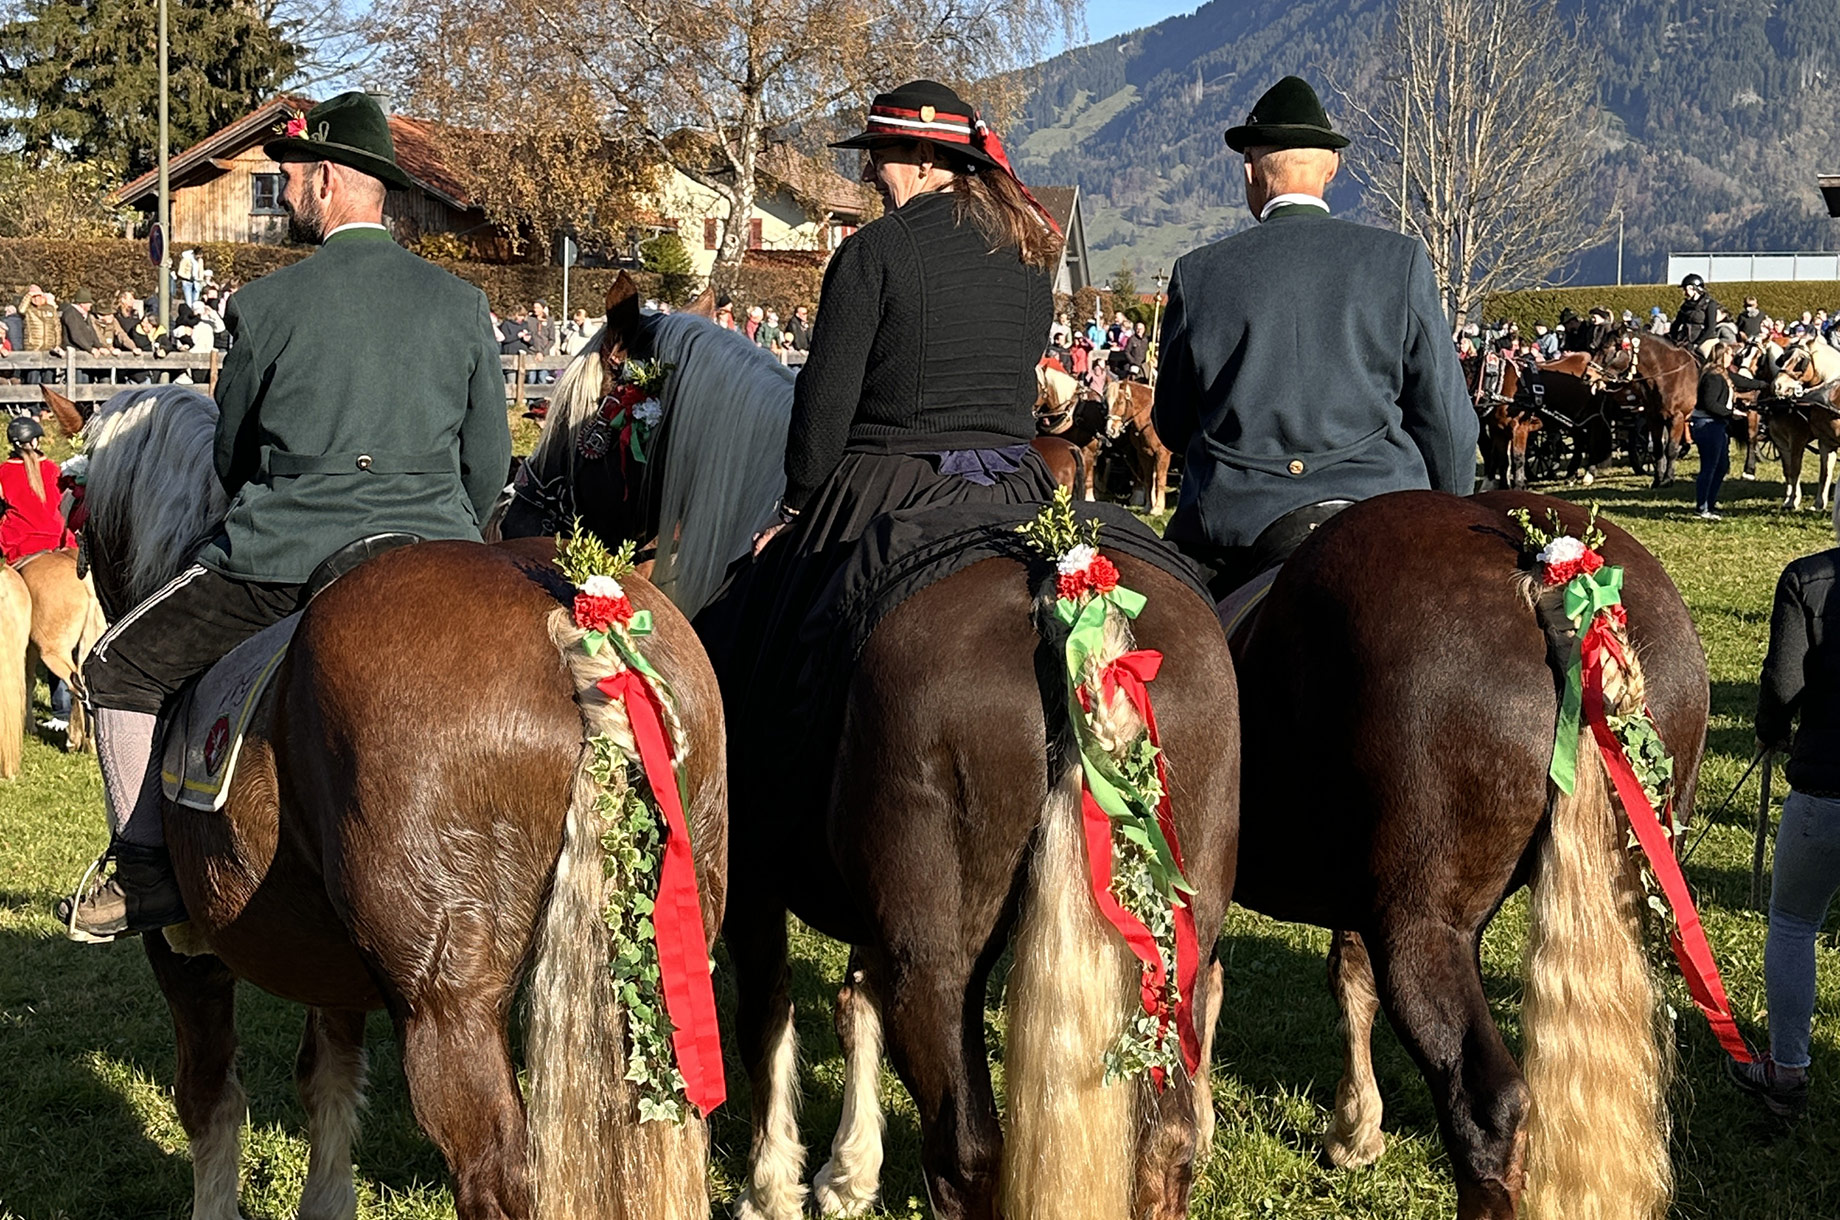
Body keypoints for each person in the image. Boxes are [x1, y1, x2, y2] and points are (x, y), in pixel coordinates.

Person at [58, 91, 512, 942]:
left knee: (118, 666)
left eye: (292, 176)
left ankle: (146, 874)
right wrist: (443, 527)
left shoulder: (266, 306)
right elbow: (486, 465)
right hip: (435, 549)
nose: (287, 190)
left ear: (332, 180)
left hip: (285, 558)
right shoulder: (460, 305)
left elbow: (231, 462)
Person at [718, 76, 1060, 674]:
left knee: (750, 643)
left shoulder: (873, 250)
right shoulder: (1029, 254)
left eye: (879, 155)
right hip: (1017, 485)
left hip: (894, 480)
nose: (870, 172)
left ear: (926, 159)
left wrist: (794, 509)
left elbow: (824, 406)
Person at [1151, 75, 1476, 597]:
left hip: (1235, 535)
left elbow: (1171, 423)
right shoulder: (1399, 261)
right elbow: (1447, 422)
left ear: (1250, 169)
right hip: (1382, 512)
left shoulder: (1199, 273)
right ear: (1332, 167)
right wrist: (1447, 517)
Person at [1732, 508, 1840, 1117]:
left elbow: (1782, 682)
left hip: (1823, 791)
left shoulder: (1808, 577)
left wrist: (1769, 731)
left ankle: (1789, 1068)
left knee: (1795, 923)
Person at [0, 416, 76, 729]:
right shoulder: (55, 470)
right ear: (40, 440)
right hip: (62, 548)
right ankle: (62, 712)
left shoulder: (4, 473)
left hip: (22, 552)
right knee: (60, 638)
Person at [1690, 342, 1737, 520]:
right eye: (1729, 354)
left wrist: (1764, 385)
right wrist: (1732, 413)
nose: (1731, 358)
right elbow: (1710, 404)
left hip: (1717, 424)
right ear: (1722, 355)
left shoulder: (1722, 374)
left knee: (1721, 466)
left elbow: (1742, 381)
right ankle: (1702, 508)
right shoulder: (1713, 377)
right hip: (1707, 423)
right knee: (1709, 467)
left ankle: (1710, 503)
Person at [1670, 273, 1722, 351]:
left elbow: (1710, 328)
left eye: (1685, 289)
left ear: (1693, 288)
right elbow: (1676, 323)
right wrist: (1672, 337)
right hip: (1686, 339)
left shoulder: (1710, 304)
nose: (1684, 293)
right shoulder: (1685, 305)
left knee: (1703, 355)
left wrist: (1697, 343)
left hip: (1705, 340)